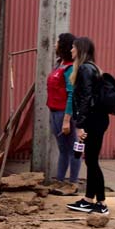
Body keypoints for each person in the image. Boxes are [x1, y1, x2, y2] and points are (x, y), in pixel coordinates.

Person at [66, 37, 110, 215]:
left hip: (92, 121)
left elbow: (85, 98)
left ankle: (101, 203)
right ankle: (88, 200)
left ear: (81, 49)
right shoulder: (93, 67)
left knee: (92, 161)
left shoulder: (84, 69)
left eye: (73, 47)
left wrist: (81, 125)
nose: (71, 50)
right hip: (98, 120)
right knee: (91, 160)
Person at [47, 33, 80, 187]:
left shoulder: (69, 68)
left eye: (57, 42)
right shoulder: (59, 64)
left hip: (64, 113)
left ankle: (73, 182)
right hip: (54, 111)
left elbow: (71, 94)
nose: (55, 44)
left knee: (74, 148)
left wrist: (67, 120)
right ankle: (60, 180)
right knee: (63, 149)